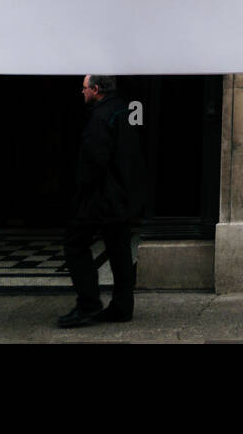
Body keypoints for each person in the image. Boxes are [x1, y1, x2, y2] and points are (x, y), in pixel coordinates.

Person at [58, 74, 146, 328]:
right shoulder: (123, 110)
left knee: (75, 244)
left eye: (84, 88)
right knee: (119, 250)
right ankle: (121, 307)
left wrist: (81, 192)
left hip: (101, 197)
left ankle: (88, 304)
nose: (81, 92)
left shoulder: (100, 117)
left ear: (96, 89)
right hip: (121, 195)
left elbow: (94, 161)